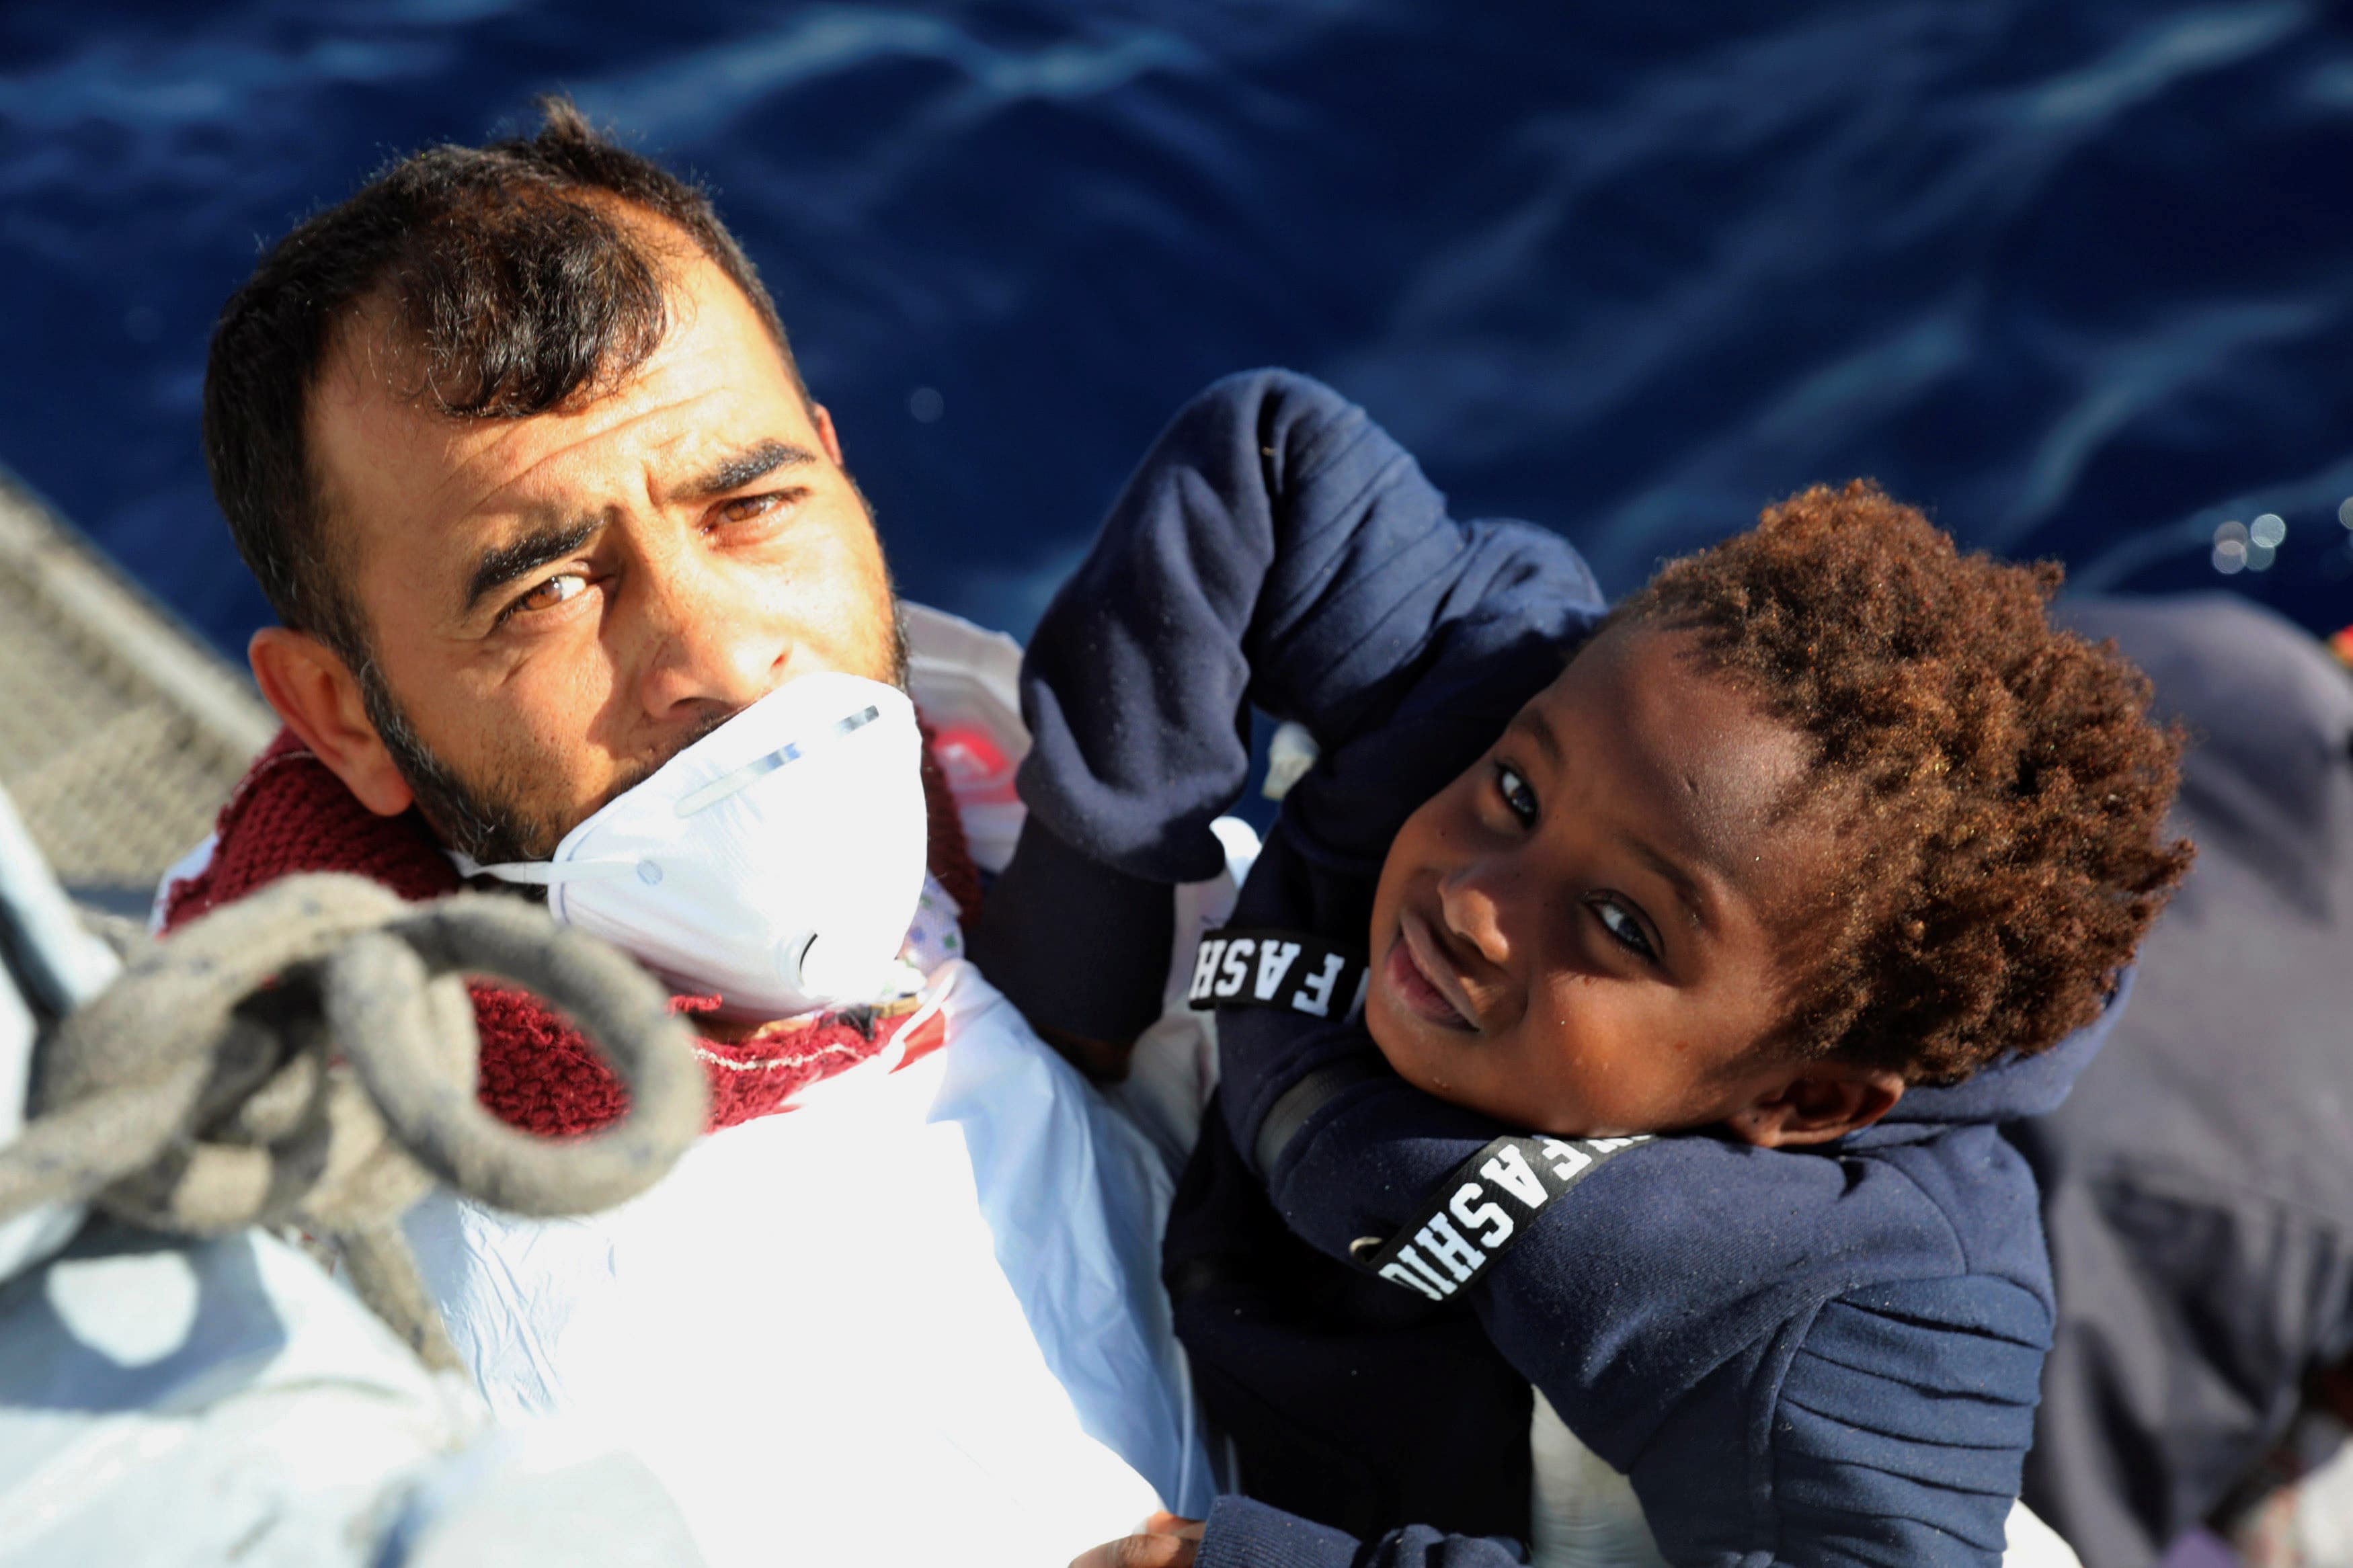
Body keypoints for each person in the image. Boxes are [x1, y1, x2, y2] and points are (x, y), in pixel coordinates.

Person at [171, 99, 1209, 1567]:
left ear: (839, 474)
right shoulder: (421, 1359)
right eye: (545, 591)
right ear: (343, 715)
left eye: (754, 503)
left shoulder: (1019, 820)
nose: (719, 656)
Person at [976, 369, 2190, 1567]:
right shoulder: (1497, 681)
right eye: (1514, 792)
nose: (1475, 903)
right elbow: (1261, 457)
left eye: (1621, 922)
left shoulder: (1867, 1294)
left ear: (1803, 1097)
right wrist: (1079, 961)